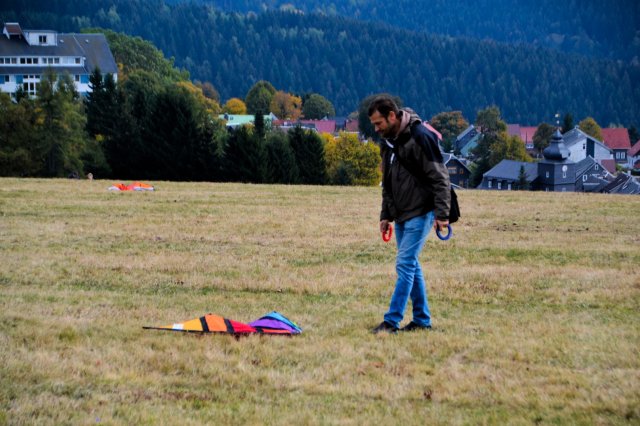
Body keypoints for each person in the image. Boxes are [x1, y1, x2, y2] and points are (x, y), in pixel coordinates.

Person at [368, 95, 451, 334]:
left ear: (392, 116)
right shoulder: (389, 142)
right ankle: (422, 320)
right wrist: (385, 215)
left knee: (404, 264)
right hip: (402, 213)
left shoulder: (421, 137)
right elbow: (388, 182)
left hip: (422, 211)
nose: (376, 129)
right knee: (411, 266)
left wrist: (442, 214)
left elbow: (440, 177)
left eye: (378, 123)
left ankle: (391, 322)